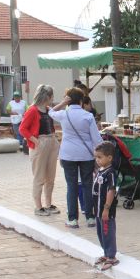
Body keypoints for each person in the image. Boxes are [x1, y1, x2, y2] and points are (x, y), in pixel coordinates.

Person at [49, 88, 102, 228]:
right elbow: (96, 139)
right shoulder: (88, 116)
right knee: (87, 185)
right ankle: (90, 218)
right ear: (81, 100)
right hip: (86, 155)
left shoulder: (63, 114)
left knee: (71, 186)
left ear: (68, 100)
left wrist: (62, 103)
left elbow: (50, 112)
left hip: (68, 155)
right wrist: (99, 155)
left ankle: (72, 219)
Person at [18, 84, 60, 217]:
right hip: (40, 143)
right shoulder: (32, 110)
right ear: (46, 96)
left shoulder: (48, 109)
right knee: (39, 177)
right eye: (51, 95)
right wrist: (36, 142)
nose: (52, 98)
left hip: (51, 141)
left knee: (50, 177)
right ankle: (38, 206)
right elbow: (22, 129)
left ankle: (48, 204)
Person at [92, 141, 120, 271]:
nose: (97, 160)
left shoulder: (111, 173)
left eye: (100, 157)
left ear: (109, 158)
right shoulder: (100, 171)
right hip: (97, 210)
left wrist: (106, 208)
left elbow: (111, 190)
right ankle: (105, 252)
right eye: (96, 157)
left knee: (107, 232)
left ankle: (111, 256)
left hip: (105, 210)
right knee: (101, 232)